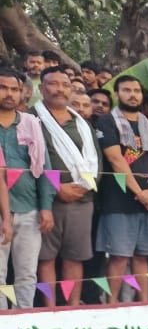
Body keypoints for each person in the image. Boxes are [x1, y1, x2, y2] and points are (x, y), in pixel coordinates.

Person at [94, 76, 148, 303]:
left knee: (142, 257)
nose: (133, 94)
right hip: (118, 201)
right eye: (127, 90)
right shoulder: (107, 121)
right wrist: (140, 192)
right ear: (117, 94)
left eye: (136, 90)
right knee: (118, 256)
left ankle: (143, 304)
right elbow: (116, 160)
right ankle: (111, 305)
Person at [34, 65, 96, 308]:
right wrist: (57, 187)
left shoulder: (82, 122)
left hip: (82, 199)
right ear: (41, 88)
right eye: (53, 84)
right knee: (46, 258)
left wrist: (85, 187)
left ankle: (71, 309)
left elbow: (97, 161)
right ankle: (50, 309)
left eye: (65, 85)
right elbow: (31, 159)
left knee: (75, 258)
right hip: (47, 200)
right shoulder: (31, 118)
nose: (59, 89)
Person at [0, 68, 53, 310]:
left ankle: (25, 322)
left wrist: (46, 207)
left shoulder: (31, 124)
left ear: (22, 92)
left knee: (27, 274)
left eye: (14, 89)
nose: (9, 94)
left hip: (29, 208)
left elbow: (45, 169)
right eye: (3, 88)